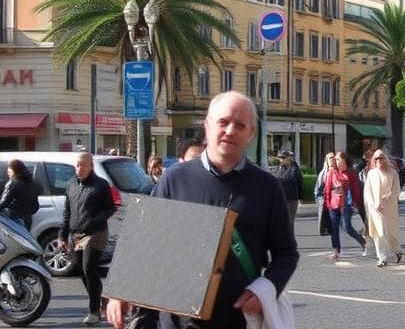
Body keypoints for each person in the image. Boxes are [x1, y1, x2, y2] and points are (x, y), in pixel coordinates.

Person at [106, 91, 299, 329]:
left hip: (237, 320)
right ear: (207, 126)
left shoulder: (267, 187)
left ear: (250, 134)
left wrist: (264, 291)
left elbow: (287, 253)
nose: (230, 130)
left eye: (240, 125)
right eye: (223, 122)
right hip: (176, 320)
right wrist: (121, 291)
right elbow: (144, 242)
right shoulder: (175, 178)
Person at [60, 152, 116, 326]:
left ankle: (94, 311)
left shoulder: (100, 185)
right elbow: (67, 212)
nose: (80, 169)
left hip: (96, 233)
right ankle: (100, 297)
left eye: (83, 165)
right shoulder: (70, 184)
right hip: (77, 234)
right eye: (77, 165)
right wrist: (62, 234)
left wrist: (93, 221)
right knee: (79, 269)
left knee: (89, 268)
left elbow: (110, 208)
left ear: (91, 165)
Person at [324, 153, 367, 259]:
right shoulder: (331, 172)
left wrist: (355, 203)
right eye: (335, 159)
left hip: (346, 204)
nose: (335, 161)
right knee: (334, 229)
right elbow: (327, 189)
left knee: (346, 226)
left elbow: (355, 189)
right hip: (334, 204)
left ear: (344, 160)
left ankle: (362, 241)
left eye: (338, 159)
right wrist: (328, 203)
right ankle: (336, 250)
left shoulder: (351, 172)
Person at [364, 150, 402, 267]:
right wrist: (373, 204)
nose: (379, 161)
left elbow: (396, 190)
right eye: (376, 159)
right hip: (375, 209)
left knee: (389, 233)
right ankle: (382, 257)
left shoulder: (393, 173)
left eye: (381, 158)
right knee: (379, 232)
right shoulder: (371, 174)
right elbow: (367, 192)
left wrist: (386, 199)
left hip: (389, 208)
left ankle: (397, 250)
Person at [0, 159, 39, 229]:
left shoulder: (13, 183)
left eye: (9, 168)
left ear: (13, 169)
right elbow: (36, 207)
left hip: (14, 220)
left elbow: (3, 203)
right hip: (27, 221)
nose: (7, 171)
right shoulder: (32, 183)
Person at [272, 150, 303, 232]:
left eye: (283, 157)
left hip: (291, 199)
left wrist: (300, 198)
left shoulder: (294, 169)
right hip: (279, 200)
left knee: (289, 222)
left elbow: (299, 183)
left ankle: (289, 241)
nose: (281, 159)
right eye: (280, 157)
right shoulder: (277, 169)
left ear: (289, 158)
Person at [315, 152, 334, 237]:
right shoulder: (323, 174)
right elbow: (317, 190)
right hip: (326, 201)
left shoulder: (339, 172)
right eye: (330, 158)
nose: (332, 160)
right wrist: (320, 200)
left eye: (333, 158)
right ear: (326, 160)